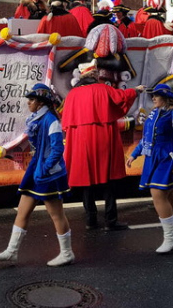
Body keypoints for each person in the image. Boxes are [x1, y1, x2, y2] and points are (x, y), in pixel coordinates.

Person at [0, 84, 75, 267]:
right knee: (23, 210)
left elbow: (58, 148)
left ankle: (67, 253)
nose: (28, 103)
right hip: (37, 169)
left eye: (31, 100)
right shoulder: (37, 119)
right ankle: (11, 252)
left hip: (49, 174)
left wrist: (44, 168)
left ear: (40, 102)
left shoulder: (50, 120)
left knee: (56, 214)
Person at [62, 60, 145, 231]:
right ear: (94, 75)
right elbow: (122, 98)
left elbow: (65, 123)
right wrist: (135, 91)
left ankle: (91, 220)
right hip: (103, 136)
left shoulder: (72, 94)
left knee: (86, 181)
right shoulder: (103, 89)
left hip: (80, 139)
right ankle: (110, 220)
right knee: (108, 179)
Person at [127, 83, 173, 253]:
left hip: (168, 158)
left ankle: (170, 239)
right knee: (170, 198)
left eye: (156, 96)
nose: (153, 98)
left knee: (158, 194)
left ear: (165, 97)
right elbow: (146, 138)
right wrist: (135, 154)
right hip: (153, 158)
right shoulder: (154, 113)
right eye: (152, 96)